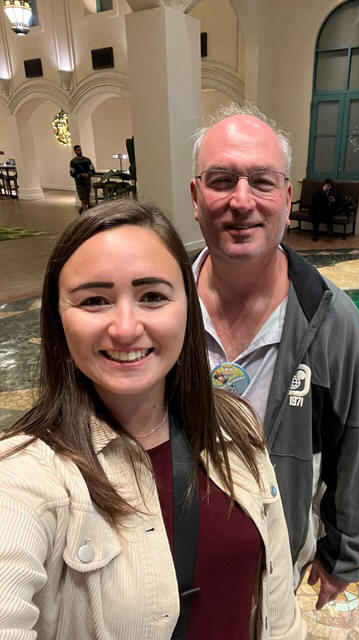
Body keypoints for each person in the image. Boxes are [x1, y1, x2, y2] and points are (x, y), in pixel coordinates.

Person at [0, 200, 306, 639]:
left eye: (153, 297)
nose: (126, 328)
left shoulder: (233, 424)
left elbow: (278, 606)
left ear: (188, 308)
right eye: (94, 300)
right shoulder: (24, 478)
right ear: (58, 318)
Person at [190, 104, 359, 610]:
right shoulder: (160, 308)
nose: (242, 201)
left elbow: (356, 439)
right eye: (221, 180)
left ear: (288, 196)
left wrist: (344, 554)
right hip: (168, 554)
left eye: (262, 182)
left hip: (270, 568)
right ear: (195, 197)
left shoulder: (334, 321)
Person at [69, 144, 95, 212]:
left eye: (80, 150)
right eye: (78, 150)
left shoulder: (87, 160)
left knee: (87, 197)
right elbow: (72, 173)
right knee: (82, 198)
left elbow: (92, 170)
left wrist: (88, 174)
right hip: (79, 183)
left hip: (87, 182)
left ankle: (83, 209)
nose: (80, 151)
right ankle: (86, 212)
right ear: (75, 151)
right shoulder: (73, 162)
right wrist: (81, 175)